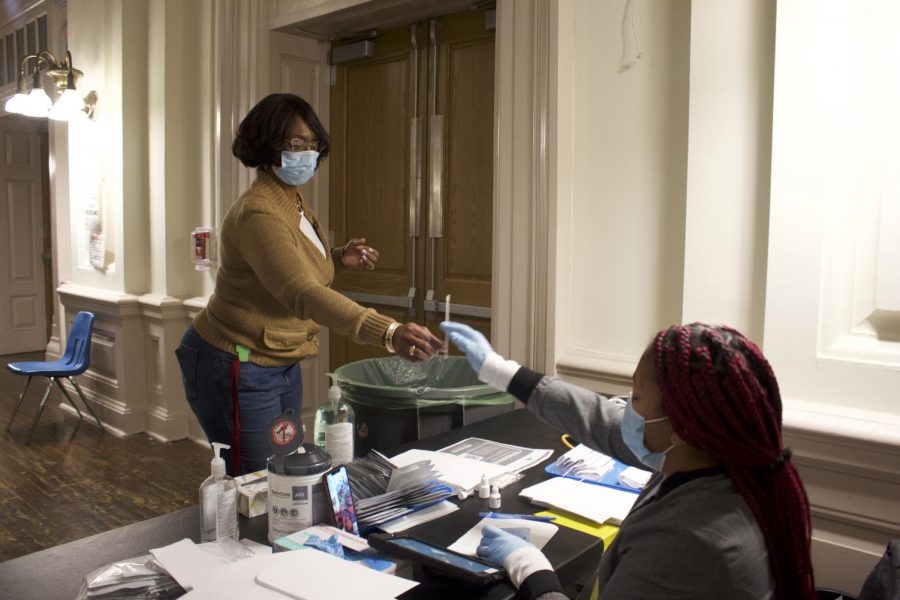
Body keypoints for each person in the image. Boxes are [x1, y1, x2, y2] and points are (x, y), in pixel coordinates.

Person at [441, 321, 816, 600]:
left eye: (636, 397)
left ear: (682, 426)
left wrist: (535, 574)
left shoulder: (689, 542)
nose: (625, 408)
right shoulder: (721, 462)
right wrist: (500, 370)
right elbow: (602, 421)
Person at [176, 93, 444, 475]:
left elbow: (284, 263)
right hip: (235, 360)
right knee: (257, 481)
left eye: (313, 144)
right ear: (267, 144)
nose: (308, 154)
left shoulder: (294, 200)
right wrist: (388, 331)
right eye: (296, 144)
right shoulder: (259, 212)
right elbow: (301, 292)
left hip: (279, 358)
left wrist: (335, 257)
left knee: (285, 473)